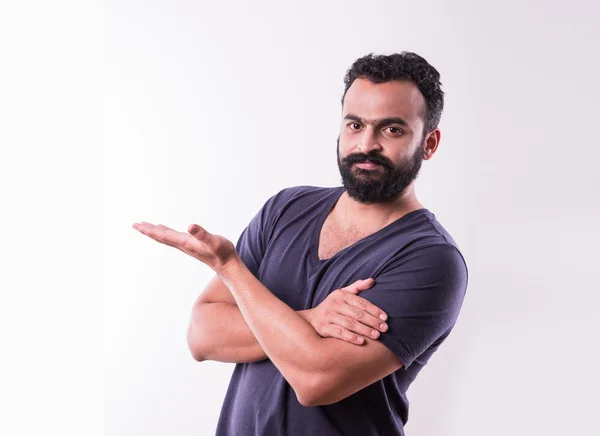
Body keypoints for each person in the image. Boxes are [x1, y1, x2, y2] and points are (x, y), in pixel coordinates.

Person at [133, 51, 468, 436]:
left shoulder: (431, 259)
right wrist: (311, 320)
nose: (367, 144)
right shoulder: (286, 209)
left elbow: (316, 379)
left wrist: (230, 268)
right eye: (355, 125)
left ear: (429, 143)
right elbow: (202, 335)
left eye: (392, 130)